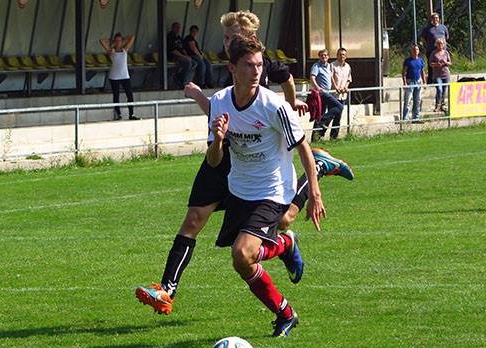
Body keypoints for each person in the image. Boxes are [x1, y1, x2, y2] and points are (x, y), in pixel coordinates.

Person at [135, 10, 354, 316]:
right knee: (195, 219)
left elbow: (287, 80)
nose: (228, 42)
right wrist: (215, 128)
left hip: (264, 161)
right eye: (225, 37)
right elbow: (225, 112)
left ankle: (314, 169)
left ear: (252, 40)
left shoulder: (258, 67)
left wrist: (290, 110)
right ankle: (167, 290)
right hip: (229, 154)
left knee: (282, 222)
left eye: (233, 37)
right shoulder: (232, 72)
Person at [206, 36, 325, 338]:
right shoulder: (220, 102)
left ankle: (286, 254)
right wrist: (218, 139)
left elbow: (303, 148)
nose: (256, 71)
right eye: (249, 65)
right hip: (240, 189)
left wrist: (314, 192)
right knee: (241, 263)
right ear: (232, 67)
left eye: (259, 64)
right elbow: (213, 160)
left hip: (273, 188)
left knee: (242, 253)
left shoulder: (273, 106)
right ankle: (285, 309)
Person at [99, 33, 139, 120]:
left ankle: (131, 114)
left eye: (120, 41)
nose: (118, 42)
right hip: (114, 76)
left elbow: (132, 37)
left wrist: (124, 38)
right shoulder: (111, 50)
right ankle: (119, 114)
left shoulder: (125, 49)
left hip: (125, 75)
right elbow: (101, 41)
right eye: (116, 41)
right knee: (116, 95)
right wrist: (110, 41)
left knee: (129, 94)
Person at [310, 49, 344, 141]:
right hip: (321, 93)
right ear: (319, 57)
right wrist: (317, 88)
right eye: (322, 55)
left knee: (321, 113)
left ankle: (316, 137)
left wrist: (335, 86)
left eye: (325, 55)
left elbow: (330, 77)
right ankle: (322, 119)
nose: (324, 57)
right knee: (339, 106)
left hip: (328, 92)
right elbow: (312, 77)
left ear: (328, 57)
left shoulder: (329, 66)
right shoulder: (316, 66)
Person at [420, 12, 449, 83]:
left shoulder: (443, 27)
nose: (435, 19)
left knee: (443, 65)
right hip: (431, 50)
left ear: (439, 19)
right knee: (431, 66)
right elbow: (422, 38)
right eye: (433, 18)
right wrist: (429, 42)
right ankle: (431, 80)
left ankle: (443, 79)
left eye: (436, 18)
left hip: (442, 51)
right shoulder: (427, 29)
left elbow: (447, 36)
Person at [167, 22, 197, 88]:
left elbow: (183, 49)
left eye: (179, 27)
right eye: (176, 27)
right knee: (188, 63)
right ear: (172, 28)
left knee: (194, 63)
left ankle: (179, 76)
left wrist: (187, 55)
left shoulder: (179, 38)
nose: (178, 29)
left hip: (181, 56)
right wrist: (184, 57)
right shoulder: (170, 36)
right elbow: (173, 51)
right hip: (173, 56)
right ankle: (184, 82)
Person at [183, 24, 213, 89]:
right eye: (193, 31)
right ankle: (200, 83)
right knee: (202, 65)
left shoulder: (193, 39)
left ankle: (208, 82)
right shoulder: (189, 38)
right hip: (192, 55)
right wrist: (200, 56)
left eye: (196, 32)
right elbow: (193, 48)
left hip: (198, 55)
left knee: (208, 64)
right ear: (190, 31)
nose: (194, 33)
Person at [330, 47, 352, 138]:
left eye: (343, 54)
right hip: (333, 95)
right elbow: (330, 77)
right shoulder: (332, 65)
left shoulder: (348, 66)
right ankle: (319, 134)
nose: (341, 56)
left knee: (338, 116)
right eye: (340, 54)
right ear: (337, 55)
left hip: (343, 95)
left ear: (346, 56)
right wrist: (335, 87)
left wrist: (345, 87)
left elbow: (349, 79)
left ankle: (334, 136)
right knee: (331, 114)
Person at [401, 44, 426, 121]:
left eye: (417, 49)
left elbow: (422, 72)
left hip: (417, 82)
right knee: (407, 101)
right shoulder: (408, 61)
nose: (415, 51)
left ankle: (416, 117)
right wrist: (405, 83)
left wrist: (424, 82)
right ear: (411, 51)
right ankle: (406, 117)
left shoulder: (420, 60)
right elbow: (404, 72)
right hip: (410, 82)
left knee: (417, 100)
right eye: (414, 49)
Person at [429, 38, 451, 112]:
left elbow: (449, 63)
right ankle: (437, 104)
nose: (440, 45)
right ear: (436, 45)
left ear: (444, 45)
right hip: (437, 75)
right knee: (439, 89)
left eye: (441, 43)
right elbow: (430, 63)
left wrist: (446, 62)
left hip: (446, 74)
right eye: (438, 43)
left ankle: (442, 104)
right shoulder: (434, 53)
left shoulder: (446, 53)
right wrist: (436, 64)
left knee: (444, 91)